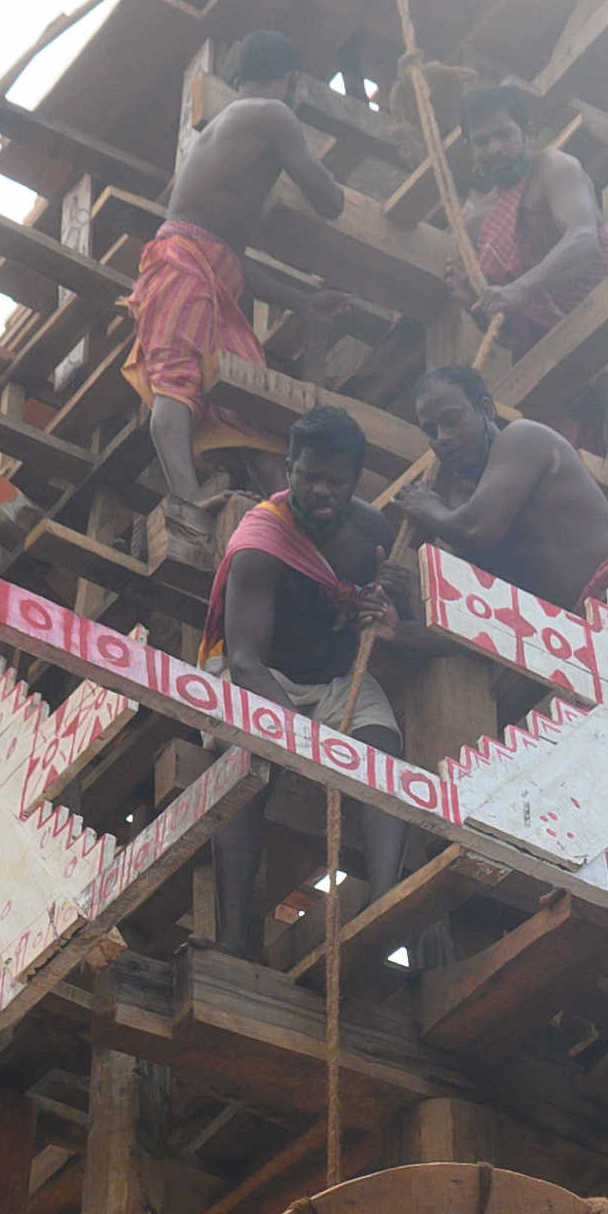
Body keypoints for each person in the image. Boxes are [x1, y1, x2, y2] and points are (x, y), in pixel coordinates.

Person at [126, 30, 349, 539]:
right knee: (177, 385)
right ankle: (187, 504)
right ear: (292, 78)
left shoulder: (240, 121)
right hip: (182, 260)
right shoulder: (273, 115)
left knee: (250, 399)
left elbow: (228, 259)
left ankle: (287, 522)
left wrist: (303, 301)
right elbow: (330, 203)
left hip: (208, 268)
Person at [207, 402, 406, 963]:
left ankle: (388, 904)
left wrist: (392, 597)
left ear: (355, 481)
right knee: (242, 773)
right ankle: (233, 939)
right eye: (309, 475)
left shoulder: (374, 532)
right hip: (265, 681)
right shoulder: (258, 544)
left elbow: (392, 621)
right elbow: (243, 660)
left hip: (340, 680)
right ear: (289, 467)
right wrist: (302, 739)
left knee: (385, 761)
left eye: (336, 481)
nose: (322, 490)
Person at [456, 85, 608, 477]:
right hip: (546, 342)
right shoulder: (477, 221)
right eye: (481, 141)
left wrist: (518, 289)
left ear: (526, 131)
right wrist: (470, 301)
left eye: (503, 135)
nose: (494, 149)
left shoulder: (554, 169)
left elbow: (583, 239)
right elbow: (502, 333)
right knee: (531, 435)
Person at [399, 361, 608, 611]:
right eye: (431, 431)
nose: (442, 437)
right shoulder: (475, 507)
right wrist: (401, 601)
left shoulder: (522, 438)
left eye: (452, 420)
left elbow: (476, 530)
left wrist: (429, 507)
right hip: (583, 626)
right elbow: (467, 608)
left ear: (486, 409)